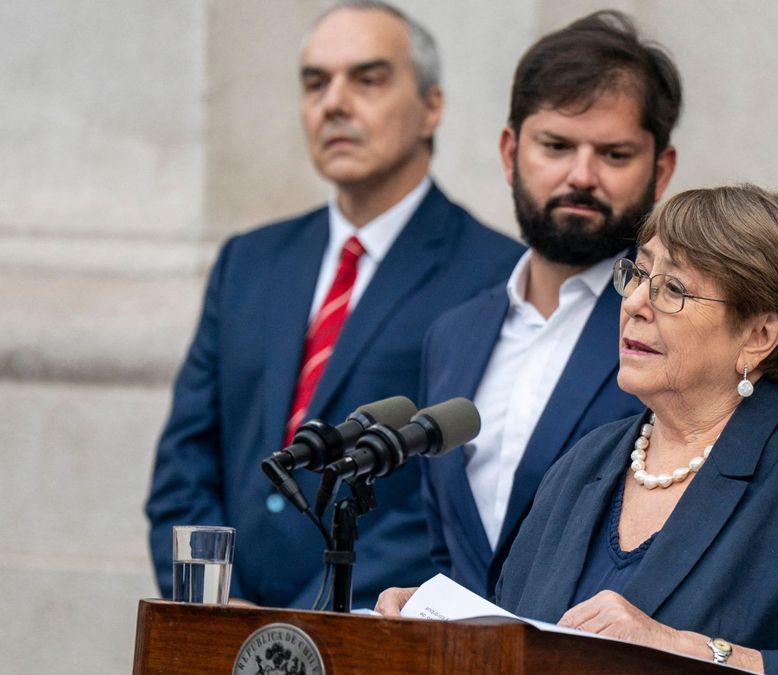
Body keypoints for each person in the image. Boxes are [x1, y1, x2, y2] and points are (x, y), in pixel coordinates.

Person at [384, 185, 778, 673]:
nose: (636, 304)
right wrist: (444, 627)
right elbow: (527, 637)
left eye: (673, 289)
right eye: (639, 273)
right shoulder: (585, 463)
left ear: (759, 334)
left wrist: (676, 649)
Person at [144, 1, 522, 610]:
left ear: (432, 107)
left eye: (368, 79)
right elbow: (185, 467)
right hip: (221, 629)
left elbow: (461, 494)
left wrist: (312, 623)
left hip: (366, 630)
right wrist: (220, 608)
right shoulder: (251, 260)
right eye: (315, 83)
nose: (335, 103)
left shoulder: (493, 274)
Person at [416, 11, 675, 599]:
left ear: (661, 169)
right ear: (511, 152)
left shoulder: (695, 327)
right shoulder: (452, 336)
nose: (580, 176)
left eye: (614, 154)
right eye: (556, 145)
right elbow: (448, 550)